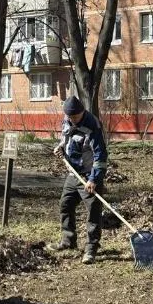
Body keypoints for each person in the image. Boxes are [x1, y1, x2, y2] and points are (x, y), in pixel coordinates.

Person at [49, 96, 109, 264]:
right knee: (65, 204)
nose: (73, 120)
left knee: (93, 211)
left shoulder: (92, 126)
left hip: (89, 175)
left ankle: (91, 248)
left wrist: (94, 179)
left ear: (82, 112)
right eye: (70, 117)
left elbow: (100, 155)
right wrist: (60, 147)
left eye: (76, 116)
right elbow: (66, 139)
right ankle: (68, 240)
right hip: (73, 173)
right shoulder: (67, 120)